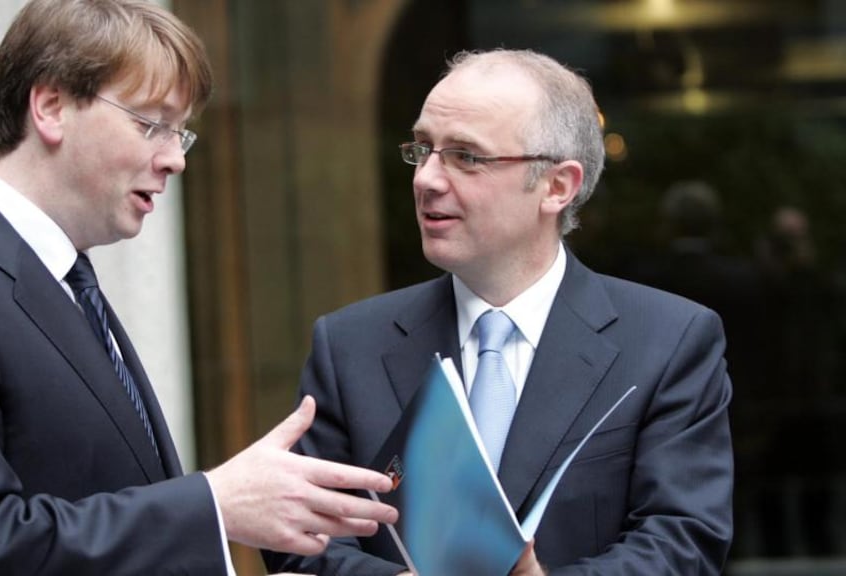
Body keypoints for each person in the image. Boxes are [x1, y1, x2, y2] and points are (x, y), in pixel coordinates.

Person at [0, 0, 398, 574]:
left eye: (181, 134)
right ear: (50, 107)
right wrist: (214, 505)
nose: (176, 159)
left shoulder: (69, 281)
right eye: (151, 123)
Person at [263, 48, 733, 575]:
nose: (427, 179)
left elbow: (684, 542)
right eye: (424, 150)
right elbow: (297, 534)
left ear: (557, 186)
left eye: (466, 156)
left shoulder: (668, 341)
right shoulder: (350, 345)